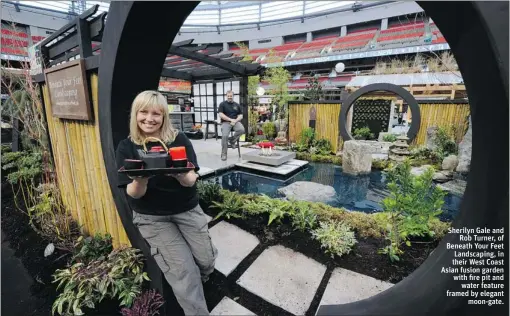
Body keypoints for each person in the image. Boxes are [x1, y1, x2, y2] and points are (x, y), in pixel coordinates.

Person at [115, 90, 217, 316]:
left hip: (187, 210)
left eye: (156, 113)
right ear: (135, 114)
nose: (149, 118)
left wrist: (179, 174)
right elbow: (134, 194)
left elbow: (190, 180)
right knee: (183, 272)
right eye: (144, 112)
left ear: (164, 117)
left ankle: (200, 278)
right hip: (152, 218)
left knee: (206, 260)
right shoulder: (127, 147)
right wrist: (140, 180)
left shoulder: (178, 139)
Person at [217, 90, 245, 160]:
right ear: (226, 96)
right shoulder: (222, 104)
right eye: (228, 96)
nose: (229, 97)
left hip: (235, 122)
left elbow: (241, 115)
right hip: (225, 122)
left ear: (233, 96)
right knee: (225, 136)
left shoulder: (237, 105)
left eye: (231, 96)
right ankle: (224, 154)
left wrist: (236, 120)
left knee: (241, 130)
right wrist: (230, 119)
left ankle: (232, 140)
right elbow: (220, 114)